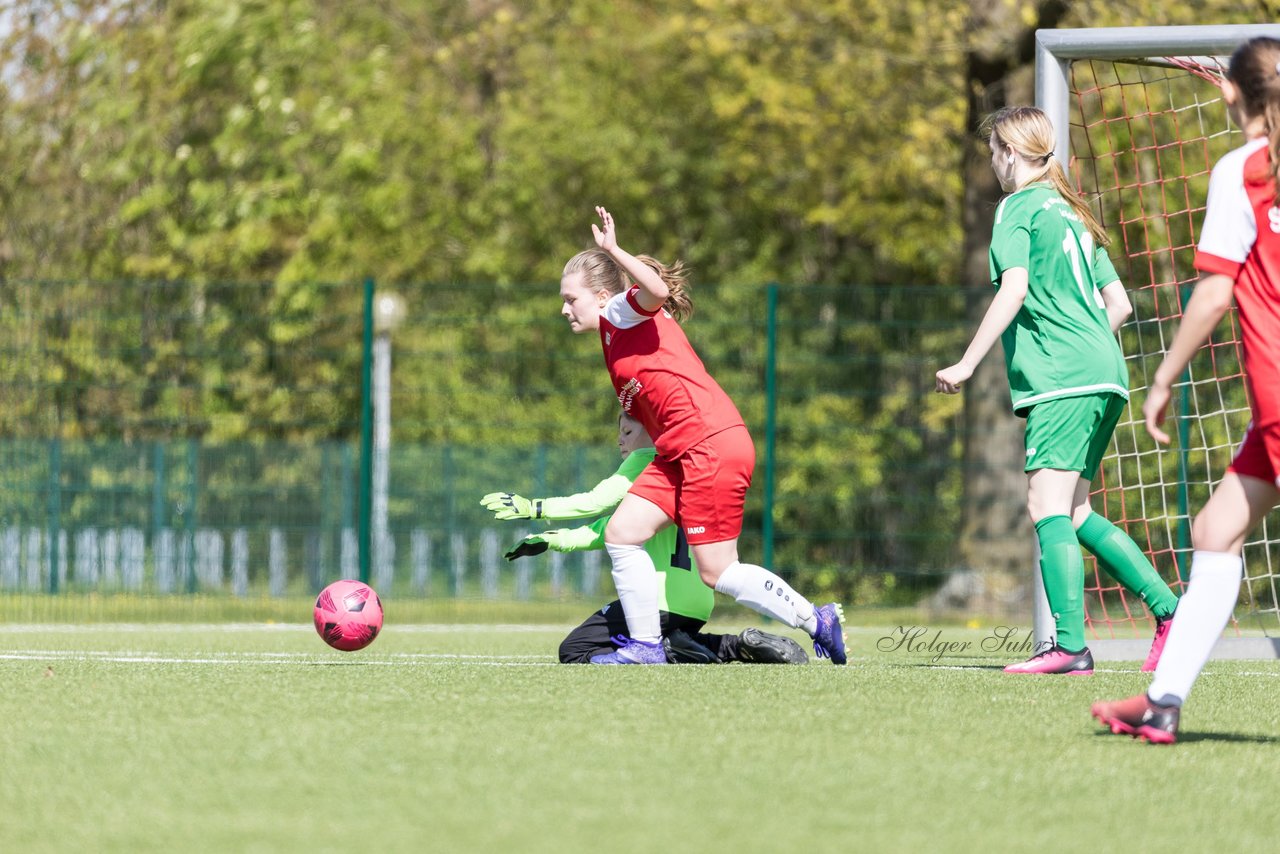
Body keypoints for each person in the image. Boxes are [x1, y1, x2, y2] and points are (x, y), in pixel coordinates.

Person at [935, 105, 1179, 675]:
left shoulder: (1016, 207)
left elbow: (1014, 288)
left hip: (1065, 380)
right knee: (1074, 510)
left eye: (994, 152)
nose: (993, 163)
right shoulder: (1072, 211)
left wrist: (969, 363)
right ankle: (1170, 612)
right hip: (1105, 371)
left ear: (1010, 153)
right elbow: (1118, 304)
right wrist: (1085, 343)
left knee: (1044, 505)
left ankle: (1069, 646)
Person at [556, 206, 846, 665]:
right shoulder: (612, 334)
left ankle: (817, 619)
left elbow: (655, 289)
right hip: (679, 449)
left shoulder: (621, 313)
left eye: (571, 298)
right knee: (623, 532)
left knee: (717, 571)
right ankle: (647, 648)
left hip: (708, 443)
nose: (564, 308)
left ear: (602, 294)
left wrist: (613, 250)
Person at [1092, 37, 1280, 743]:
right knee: (1215, 530)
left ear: (1230, 93)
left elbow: (1213, 293)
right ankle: (1164, 698)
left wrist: (1163, 376)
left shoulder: (1245, 171)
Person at [482, 412, 809, 665]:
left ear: (655, 431)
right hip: (696, 605)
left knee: (576, 650)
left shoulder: (648, 462)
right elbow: (609, 529)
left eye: (627, 431)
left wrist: (532, 507)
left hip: (656, 602)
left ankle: (679, 653)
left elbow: (595, 501)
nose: (619, 440)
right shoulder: (689, 469)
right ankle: (736, 646)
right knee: (668, 640)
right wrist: (553, 540)